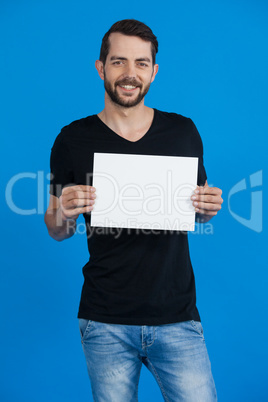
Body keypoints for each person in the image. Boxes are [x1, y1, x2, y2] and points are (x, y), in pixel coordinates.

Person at [44, 19, 223, 402]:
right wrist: (65, 209)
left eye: (141, 63)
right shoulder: (73, 138)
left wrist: (208, 208)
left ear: (154, 71)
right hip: (103, 318)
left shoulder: (182, 132)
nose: (130, 74)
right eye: (119, 61)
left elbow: (197, 209)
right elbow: (56, 228)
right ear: (101, 66)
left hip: (177, 314)